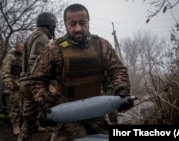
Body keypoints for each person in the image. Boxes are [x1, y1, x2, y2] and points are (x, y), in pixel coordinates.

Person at [30, 3, 134, 141]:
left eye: (82, 23)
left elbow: (118, 70)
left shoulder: (101, 45)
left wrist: (122, 92)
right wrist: (46, 103)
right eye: (72, 24)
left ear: (88, 23)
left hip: (96, 108)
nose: (78, 28)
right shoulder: (54, 48)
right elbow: (38, 80)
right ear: (66, 24)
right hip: (65, 109)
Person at [17, 12, 57, 141]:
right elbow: (36, 62)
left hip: (25, 83)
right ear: (50, 25)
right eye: (54, 26)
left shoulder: (32, 36)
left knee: (29, 121)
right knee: (54, 114)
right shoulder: (42, 38)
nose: (54, 29)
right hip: (33, 83)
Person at [2, 42, 24, 135]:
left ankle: (33, 124)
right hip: (15, 85)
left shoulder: (25, 57)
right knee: (15, 106)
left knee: (30, 105)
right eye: (21, 47)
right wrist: (9, 83)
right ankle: (15, 125)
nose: (23, 49)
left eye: (24, 47)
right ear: (17, 48)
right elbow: (5, 71)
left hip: (25, 84)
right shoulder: (10, 57)